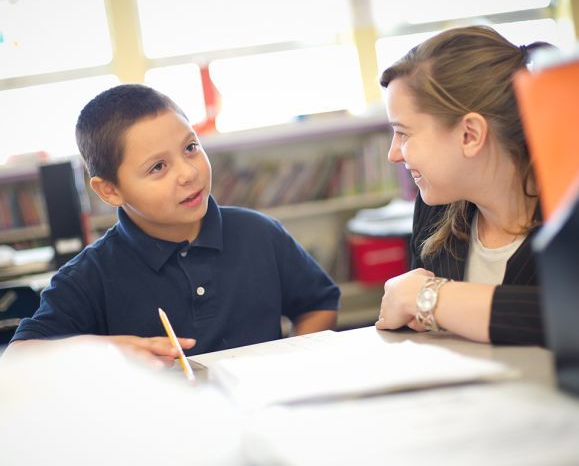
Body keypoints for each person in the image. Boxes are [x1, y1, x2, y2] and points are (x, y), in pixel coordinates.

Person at [4, 84, 339, 364]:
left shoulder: (260, 233)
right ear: (110, 190)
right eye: (158, 167)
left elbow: (318, 303)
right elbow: (20, 358)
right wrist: (106, 351)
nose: (188, 173)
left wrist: (290, 365)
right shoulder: (87, 277)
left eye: (191, 147)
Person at [375, 25, 552, 346]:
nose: (393, 154)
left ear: (470, 135)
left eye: (404, 133)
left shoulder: (569, 215)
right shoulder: (434, 209)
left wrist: (430, 297)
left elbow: (563, 316)